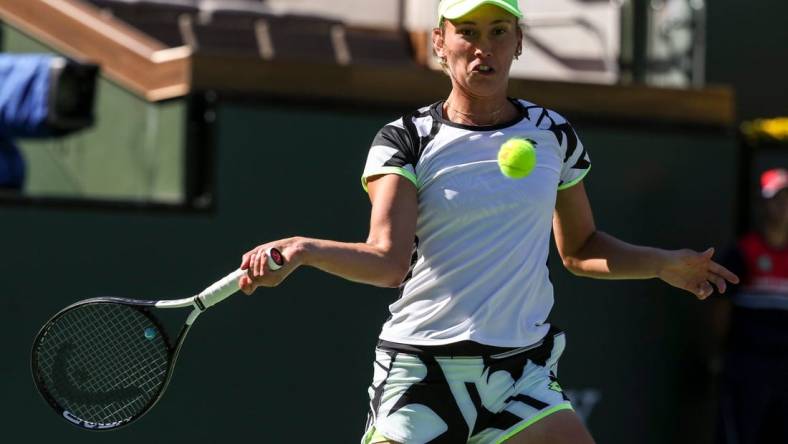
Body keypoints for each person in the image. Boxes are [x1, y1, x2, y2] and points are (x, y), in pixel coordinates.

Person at [237, 1, 739, 442]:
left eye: (499, 31)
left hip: (521, 373)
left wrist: (662, 264)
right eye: (468, 32)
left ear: (518, 42)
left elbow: (580, 248)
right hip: (422, 371)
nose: (485, 47)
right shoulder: (405, 140)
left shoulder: (553, 135)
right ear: (440, 42)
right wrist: (305, 249)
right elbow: (388, 262)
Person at [716, 168, 788, 444]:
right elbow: (719, 309)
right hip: (747, 367)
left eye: (787, 199)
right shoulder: (741, 252)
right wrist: (717, 353)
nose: (782, 207)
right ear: (762, 203)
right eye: (776, 199)